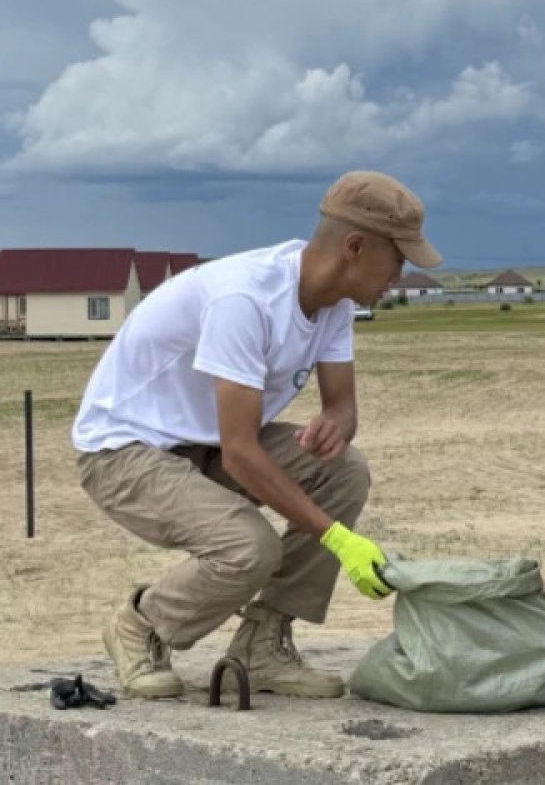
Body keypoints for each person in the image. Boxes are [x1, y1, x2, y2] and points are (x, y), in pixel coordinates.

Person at [72, 170, 442, 700]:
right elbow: (243, 455)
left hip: (209, 443)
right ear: (356, 247)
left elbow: (342, 407)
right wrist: (339, 540)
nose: (401, 275)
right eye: (399, 258)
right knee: (249, 547)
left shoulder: (335, 302)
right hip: (124, 450)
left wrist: (335, 427)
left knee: (345, 471)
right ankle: (141, 624)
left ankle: (262, 644)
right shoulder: (244, 300)